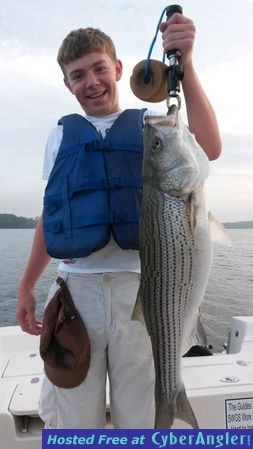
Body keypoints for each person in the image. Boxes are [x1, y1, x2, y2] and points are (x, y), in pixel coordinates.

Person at [16, 12, 222, 429]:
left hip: (143, 292)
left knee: (140, 416)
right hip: (76, 295)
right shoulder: (60, 135)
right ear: (67, 83)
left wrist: (188, 64)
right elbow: (50, 214)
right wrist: (25, 285)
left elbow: (210, 147)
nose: (91, 82)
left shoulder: (152, 126)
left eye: (98, 69)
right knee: (74, 417)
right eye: (78, 75)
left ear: (118, 69)